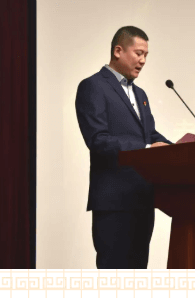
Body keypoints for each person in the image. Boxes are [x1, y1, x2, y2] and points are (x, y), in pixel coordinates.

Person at [75, 26, 172, 269]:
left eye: (146, 55)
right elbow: (97, 140)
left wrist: (177, 148)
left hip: (142, 199)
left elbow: (149, 134)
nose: (143, 60)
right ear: (118, 51)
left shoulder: (140, 94)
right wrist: (147, 148)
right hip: (114, 202)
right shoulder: (93, 86)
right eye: (139, 53)